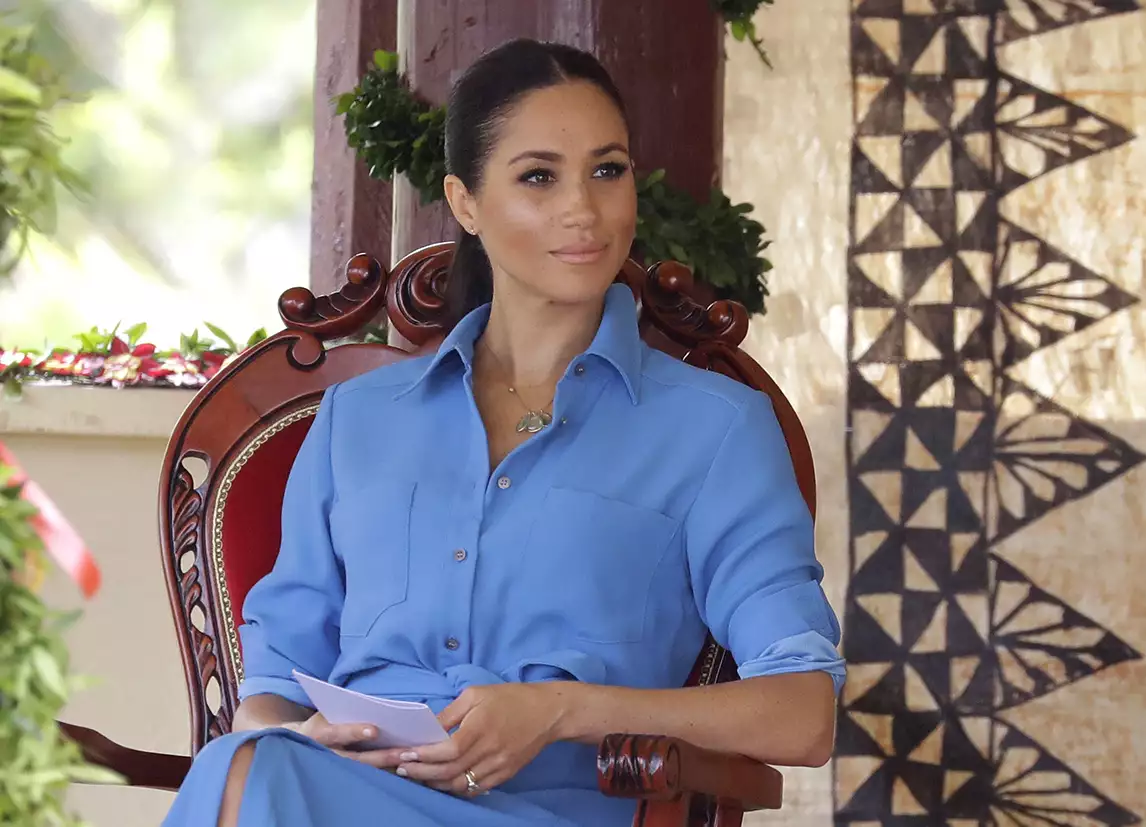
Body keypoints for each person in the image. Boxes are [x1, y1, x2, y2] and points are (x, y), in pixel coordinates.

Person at [161, 38, 845, 827]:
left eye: (607, 169)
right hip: (332, 793)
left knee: (254, 779)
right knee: (254, 763)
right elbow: (271, 686)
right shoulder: (357, 420)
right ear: (465, 202)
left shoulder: (715, 429)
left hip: (554, 810)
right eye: (538, 177)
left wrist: (562, 709)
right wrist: (307, 737)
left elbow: (803, 712)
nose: (582, 209)